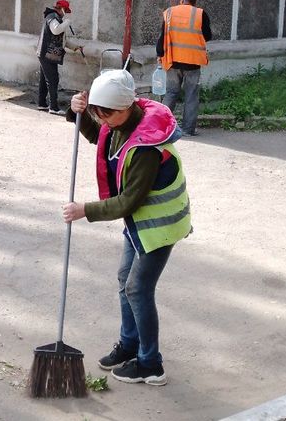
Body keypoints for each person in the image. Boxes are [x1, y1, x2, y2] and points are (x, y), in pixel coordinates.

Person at [63, 69, 192, 386]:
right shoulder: (119, 123)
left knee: (137, 288)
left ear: (126, 107)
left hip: (159, 227)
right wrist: (76, 111)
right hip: (140, 226)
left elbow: (128, 202)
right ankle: (129, 343)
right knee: (125, 279)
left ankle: (151, 363)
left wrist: (85, 210)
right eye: (98, 112)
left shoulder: (146, 147)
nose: (102, 119)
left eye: (106, 114)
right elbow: (99, 135)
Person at [156, 0, 212, 136]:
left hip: (173, 60)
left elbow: (162, 36)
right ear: (194, 2)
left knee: (171, 93)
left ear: (182, 0)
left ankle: (160, 126)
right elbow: (208, 35)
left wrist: (159, 54)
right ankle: (188, 129)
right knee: (191, 95)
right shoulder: (200, 13)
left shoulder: (169, 12)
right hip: (193, 62)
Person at [36, 0, 72, 115]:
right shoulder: (52, 16)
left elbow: (62, 40)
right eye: (65, 10)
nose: (65, 12)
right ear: (61, 8)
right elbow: (56, 30)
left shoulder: (56, 18)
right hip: (47, 54)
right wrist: (66, 23)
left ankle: (42, 104)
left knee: (44, 80)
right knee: (53, 80)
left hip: (48, 54)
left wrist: (76, 47)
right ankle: (53, 107)